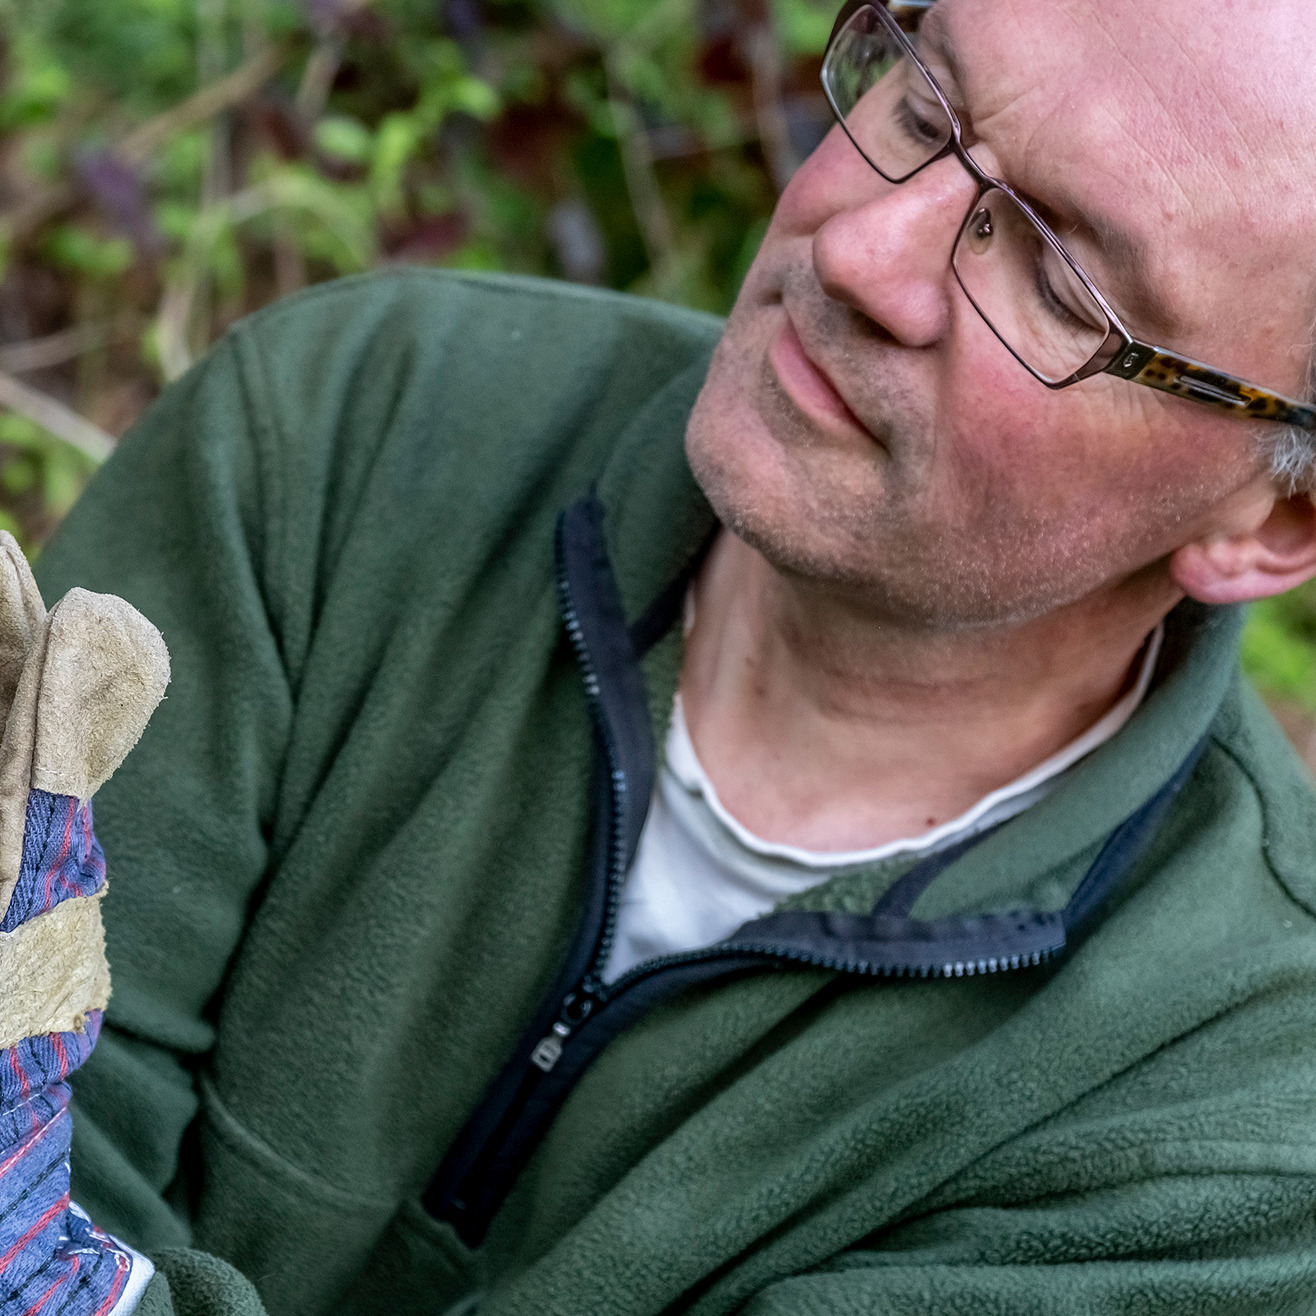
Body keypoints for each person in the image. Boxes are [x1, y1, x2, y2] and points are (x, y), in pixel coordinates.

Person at [9, 0, 1316, 1309]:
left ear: (1275, 518)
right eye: (923, 109)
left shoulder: (1243, 1113)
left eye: (1054, 277)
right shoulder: (348, 431)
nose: (862, 250)